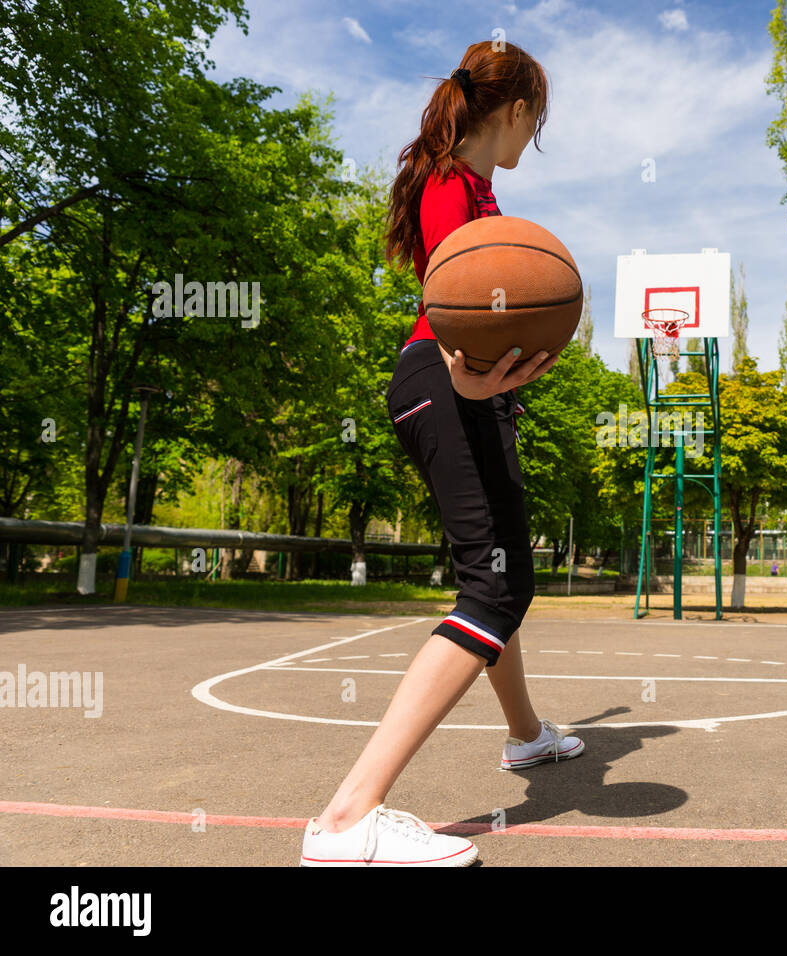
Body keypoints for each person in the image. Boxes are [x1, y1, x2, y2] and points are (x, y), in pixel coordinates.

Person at [301, 41, 582, 868]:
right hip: (446, 380)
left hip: (465, 387)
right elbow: (449, 295)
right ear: (520, 110)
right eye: (539, 120)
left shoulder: (474, 185)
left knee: (495, 571)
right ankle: (349, 816)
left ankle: (525, 736)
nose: (535, 136)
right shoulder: (449, 182)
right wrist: (470, 374)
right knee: (495, 585)